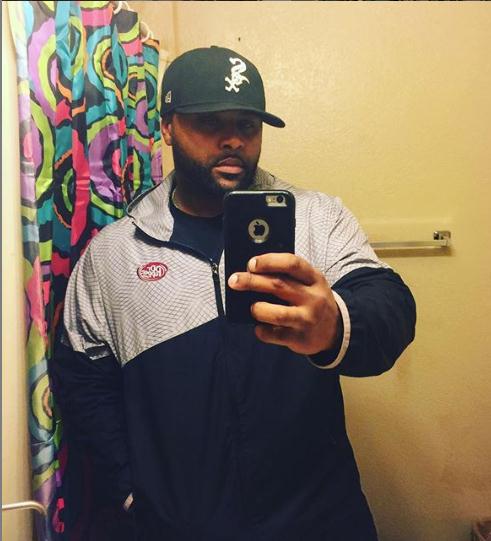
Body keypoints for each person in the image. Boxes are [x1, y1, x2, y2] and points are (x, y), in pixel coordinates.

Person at [53, 46, 416, 540]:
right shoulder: (115, 253)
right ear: (167, 127)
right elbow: (82, 378)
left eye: (247, 124)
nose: (233, 140)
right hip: (181, 527)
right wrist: (132, 489)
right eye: (210, 122)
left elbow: (390, 305)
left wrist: (334, 322)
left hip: (319, 517)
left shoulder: (316, 218)